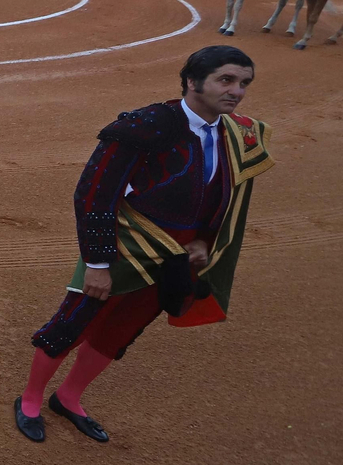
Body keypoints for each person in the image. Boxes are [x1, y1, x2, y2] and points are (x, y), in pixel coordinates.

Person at [14, 46, 272, 444]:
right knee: (73, 322)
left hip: (175, 256)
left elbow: (222, 195)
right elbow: (93, 194)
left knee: (121, 330)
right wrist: (97, 262)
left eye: (243, 83)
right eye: (226, 80)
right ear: (192, 81)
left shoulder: (234, 133)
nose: (236, 91)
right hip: (124, 247)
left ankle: (68, 398)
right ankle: (30, 400)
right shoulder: (148, 124)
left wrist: (203, 242)